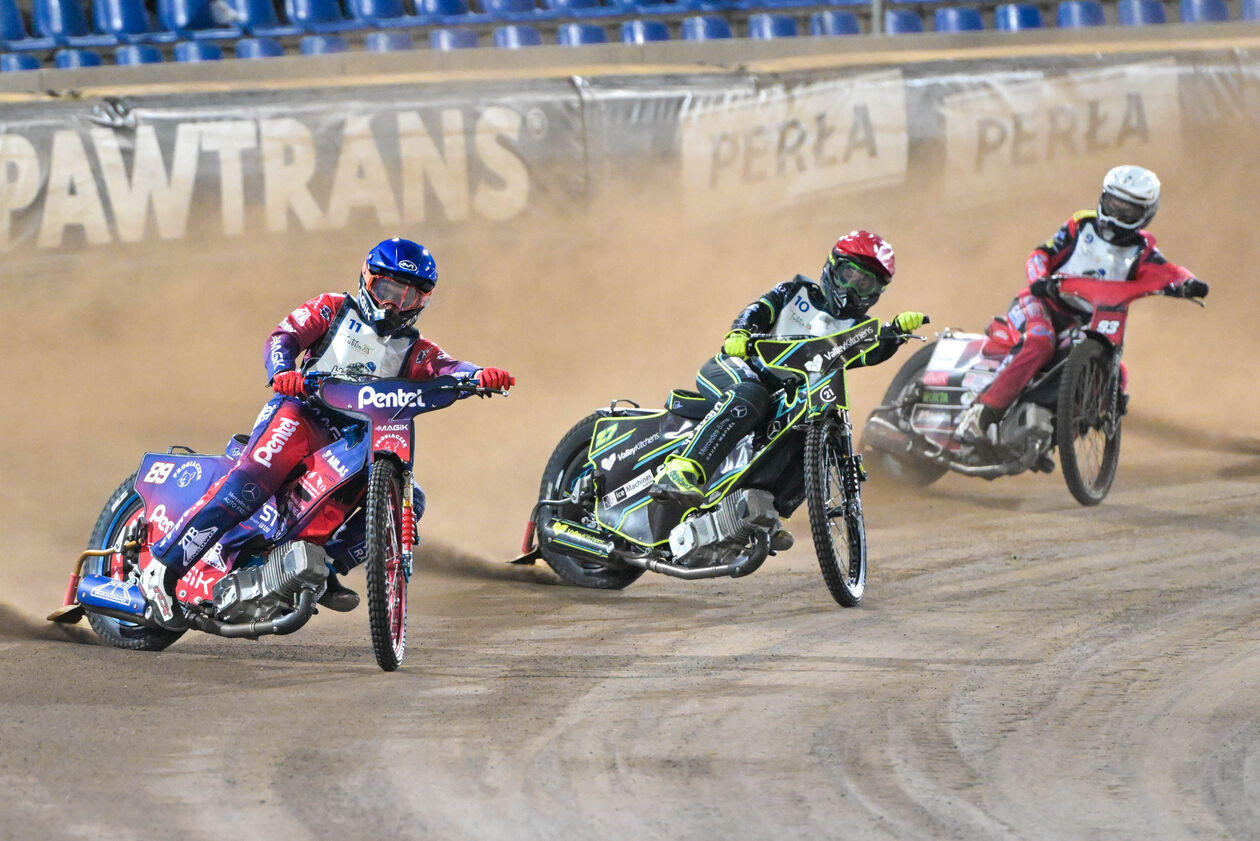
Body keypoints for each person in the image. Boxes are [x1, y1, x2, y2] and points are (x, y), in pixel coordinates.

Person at [138, 237, 515, 628]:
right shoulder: (332, 308)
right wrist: (282, 372)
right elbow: (283, 337)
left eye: (408, 297)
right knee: (254, 478)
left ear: (423, 301)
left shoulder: (415, 348)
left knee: (412, 500)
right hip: (302, 413)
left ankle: (325, 565)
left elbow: (449, 368)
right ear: (367, 280)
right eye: (388, 291)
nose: (393, 305)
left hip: (353, 439)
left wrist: (479, 376)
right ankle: (163, 568)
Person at [649, 229, 928, 518]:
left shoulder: (857, 329)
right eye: (848, 275)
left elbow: (870, 352)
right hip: (739, 370)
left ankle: (764, 516)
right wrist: (739, 333)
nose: (852, 289)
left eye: (864, 284)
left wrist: (895, 333)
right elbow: (757, 310)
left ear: (877, 293)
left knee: (806, 435)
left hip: (784, 399)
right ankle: (680, 469)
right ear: (832, 267)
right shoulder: (793, 292)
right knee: (751, 394)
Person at [955, 165, 1209, 444]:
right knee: (1040, 341)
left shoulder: (1143, 250)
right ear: (1103, 197)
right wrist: (1039, 279)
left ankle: (1049, 438)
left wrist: (1189, 283)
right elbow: (1041, 253)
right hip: (1042, 302)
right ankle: (980, 414)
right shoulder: (1081, 224)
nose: (1117, 215)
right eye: (1113, 204)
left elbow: (1169, 271)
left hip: (1081, 323)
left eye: (1128, 211)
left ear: (1146, 214)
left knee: (1116, 375)